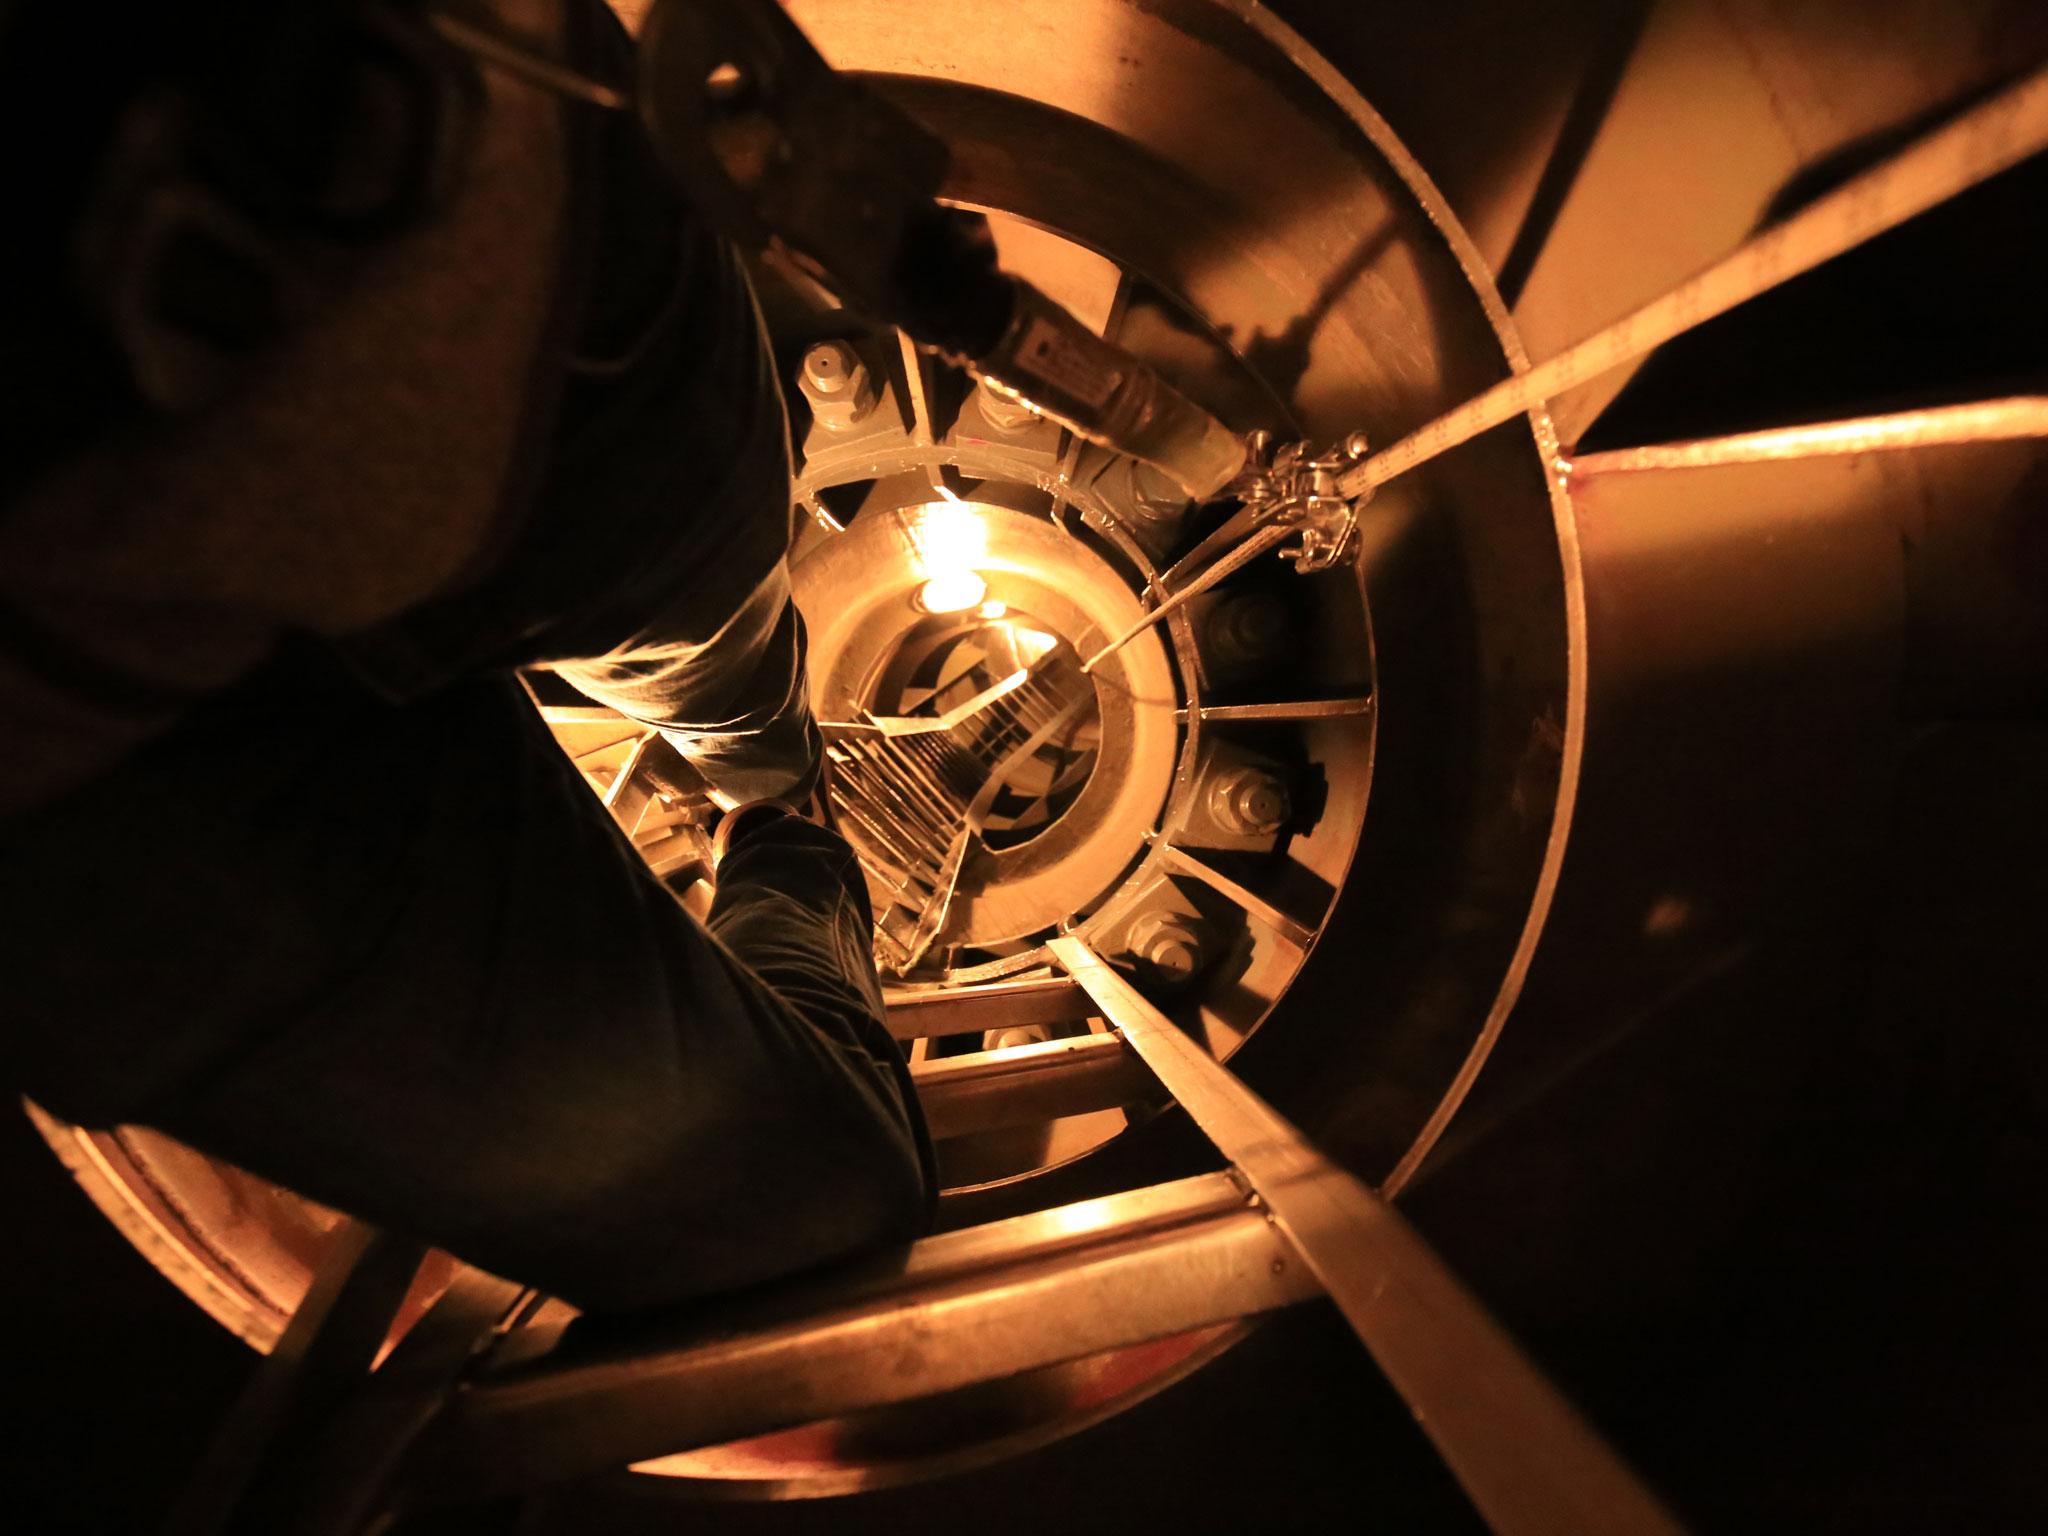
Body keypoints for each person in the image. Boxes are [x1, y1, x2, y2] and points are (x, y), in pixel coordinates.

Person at [0, 0, 934, 1312]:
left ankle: (774, 811)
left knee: (711, 643)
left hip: (460, 273)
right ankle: (776, 813)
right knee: (809, 1192)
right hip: (72, 791)